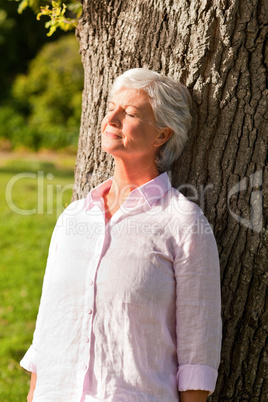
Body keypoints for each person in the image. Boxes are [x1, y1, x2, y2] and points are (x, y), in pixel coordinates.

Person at [21, 68, 222, 402]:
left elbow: (198, 352)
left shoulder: (183, 223)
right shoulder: (74, 217)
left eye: (129, 113)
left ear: (161, 136)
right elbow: (47, 331)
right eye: (111, 107)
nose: (111, 118)